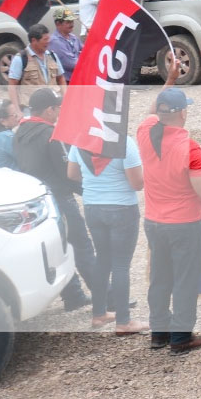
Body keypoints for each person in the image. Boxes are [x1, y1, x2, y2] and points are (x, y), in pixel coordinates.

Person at [137, 65, 201, 352]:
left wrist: (169, 80)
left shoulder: (145, 131)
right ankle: (181, 336)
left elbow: (152, 110)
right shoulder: (190, 147)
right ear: (182, 112)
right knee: (185, 280)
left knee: (160, 278)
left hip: (154, 221)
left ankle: (158, 333)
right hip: (185, 223)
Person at [13, 87, 94, 312]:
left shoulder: (20, 132)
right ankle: (105, 296)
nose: (59, 112)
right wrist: (88, 191)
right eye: (57, 108)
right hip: (60, 197)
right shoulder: (51, 134)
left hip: (37, 199)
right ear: (49, 110)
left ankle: (74, 295)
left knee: (57, 249)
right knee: (82, 245)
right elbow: (67, 171)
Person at [67, 125, 146, 336]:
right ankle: (123, 321)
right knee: (121, 264)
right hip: (121, 207)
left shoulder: (80, 139)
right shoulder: (123, 142)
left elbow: (72, 173)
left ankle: (99, 313)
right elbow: (137, 183)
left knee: (102, 259)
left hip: (93, 206)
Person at [7, 23, 65, 112]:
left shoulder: (53, 56)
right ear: (34, 40)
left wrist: (65, 100)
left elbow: (61, 78)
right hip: (32, 109)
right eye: (45, 39)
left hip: (53, 107)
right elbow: (12, 86)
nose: (48, 41)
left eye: (48, 38)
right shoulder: (21, 59)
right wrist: (17, 110)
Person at [48, 8, 84, 76]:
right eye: (68, 22)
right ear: (58, 24)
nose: (72, 25)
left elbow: (86, 51)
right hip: (67, 81)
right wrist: (85, 59)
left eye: (72, 21)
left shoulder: (73, 37)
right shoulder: (55, 41)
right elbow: (71, 64)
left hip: (78, 76)